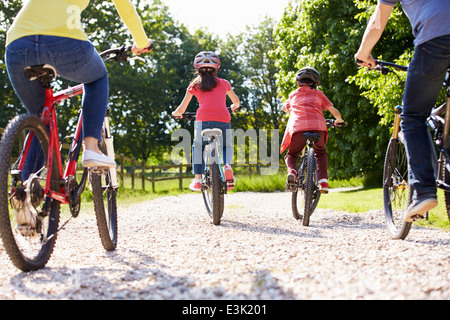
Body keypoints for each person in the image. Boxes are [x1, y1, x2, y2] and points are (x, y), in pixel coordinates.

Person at [5, 0, 152, 228]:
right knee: (97, 78)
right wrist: (141, 43)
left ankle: (24, 194)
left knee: (40, 118)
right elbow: (125, 8)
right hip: (64, 41)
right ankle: (91, 148)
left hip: (17, 45)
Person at [354, 0, 450, 222]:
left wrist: (363, 53)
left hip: (435, 39)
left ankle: (424, 191)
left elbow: (378, 21)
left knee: (413, 118)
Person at [172, 51, 240, 192]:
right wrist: (234, 107)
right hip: (223, 118)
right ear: (217, 67)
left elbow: (182, 108)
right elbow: (236, 101)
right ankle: (227, 166)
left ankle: (197, 180)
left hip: (203, 120)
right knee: (226, 146)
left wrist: (176, 113)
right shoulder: (224, 83)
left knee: (198, 146)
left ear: (197, 69)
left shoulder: (194, 85)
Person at [280, 67, 344, 194]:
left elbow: (284, 108)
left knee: (292, 154)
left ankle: (292, 171)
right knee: (320, 152)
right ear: (316, 83)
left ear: (298, 83)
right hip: (319, 128)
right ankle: (323, 182)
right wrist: (339, 119)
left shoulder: (293, 94)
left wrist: (292, 111)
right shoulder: (319, 94)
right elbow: (333, 110)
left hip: (298, 129)